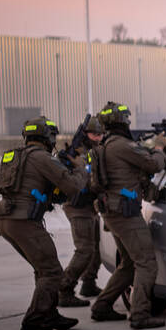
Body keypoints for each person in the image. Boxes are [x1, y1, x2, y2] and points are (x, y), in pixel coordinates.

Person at [0, 117, 87, 330]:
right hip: (24, 222)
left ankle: (50, 315)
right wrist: (80, 168)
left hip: (6, 219)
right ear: (48, 137)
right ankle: (32, 324)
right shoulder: (42, 158)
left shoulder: (15, 155)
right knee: (52, 272)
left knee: (42, 268)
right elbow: (72, 187)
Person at [89, 102, 166, 329]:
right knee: (146, 263)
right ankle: (140, 314)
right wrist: (161, 147)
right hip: (125, 214)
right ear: (122, 122)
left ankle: (102, 306)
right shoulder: (122, 146)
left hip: (113, 212)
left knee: (128, 264)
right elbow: (153, 164)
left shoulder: (107, 145)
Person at [57, 116, 106, 307]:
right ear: (85, 134)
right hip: (77, 206)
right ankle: (65, 289)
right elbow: (81, 178)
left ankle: (88, 282)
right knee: (85, 250)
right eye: (95, 134)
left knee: (96, 248)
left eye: (101, 134)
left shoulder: (94, 151)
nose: (98, 138)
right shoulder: (76, 153)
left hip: (89, 207)